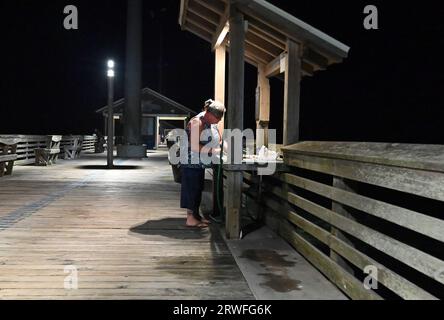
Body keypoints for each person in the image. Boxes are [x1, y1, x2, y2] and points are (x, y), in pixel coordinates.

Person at [180, 100, 225, 228]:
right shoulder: (197, 122)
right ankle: (190, 218)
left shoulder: (209, 123)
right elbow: (194, 146)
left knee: (198, 188)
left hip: (200, 162)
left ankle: (196, 216)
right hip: (190, 161)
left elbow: (218, 140)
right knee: (191, 188)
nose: (219, 120)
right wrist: (214, 150)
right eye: (217, 117)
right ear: (209, 113)